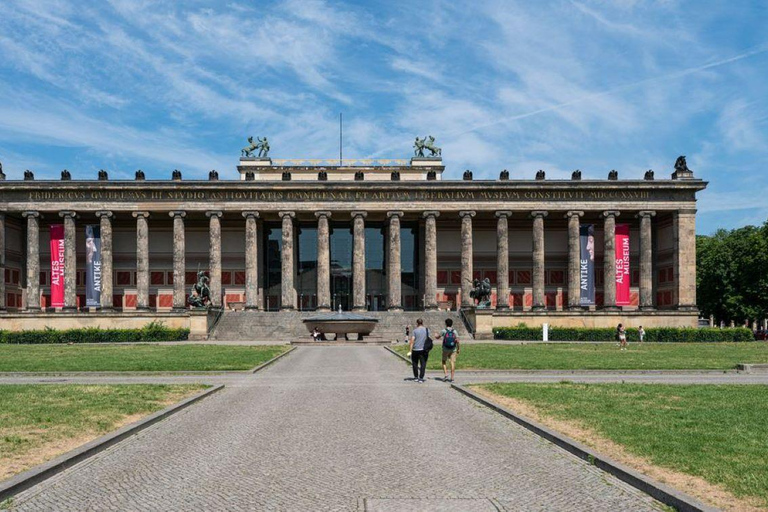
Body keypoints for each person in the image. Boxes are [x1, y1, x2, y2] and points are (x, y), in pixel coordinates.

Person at [407, 318, 430, 382]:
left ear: (417, 323)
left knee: (415, 363)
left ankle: (416, 377)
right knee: (423, 364)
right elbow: (429, 339)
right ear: (422, 323)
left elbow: (412, 341)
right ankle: (421, 377)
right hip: (424, 350)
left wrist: (410, 351)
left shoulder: (415, 331)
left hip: (415, 349)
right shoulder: (427, 330)